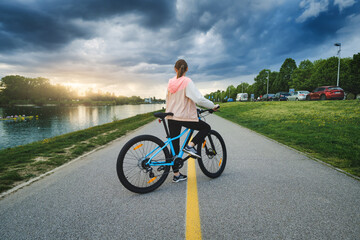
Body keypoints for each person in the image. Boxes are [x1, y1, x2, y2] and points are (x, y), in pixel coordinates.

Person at [165, 59, 219, 183]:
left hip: (171, 116)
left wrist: (166, 114)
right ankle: (191, 146)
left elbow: (169, 100)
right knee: (206, 128)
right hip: (183, 116)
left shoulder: (170, 83)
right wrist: (212, 106)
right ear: (187, 69)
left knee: (174, 145)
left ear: (175, 69)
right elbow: (198, 99)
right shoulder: (186, 81)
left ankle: (177, 174)